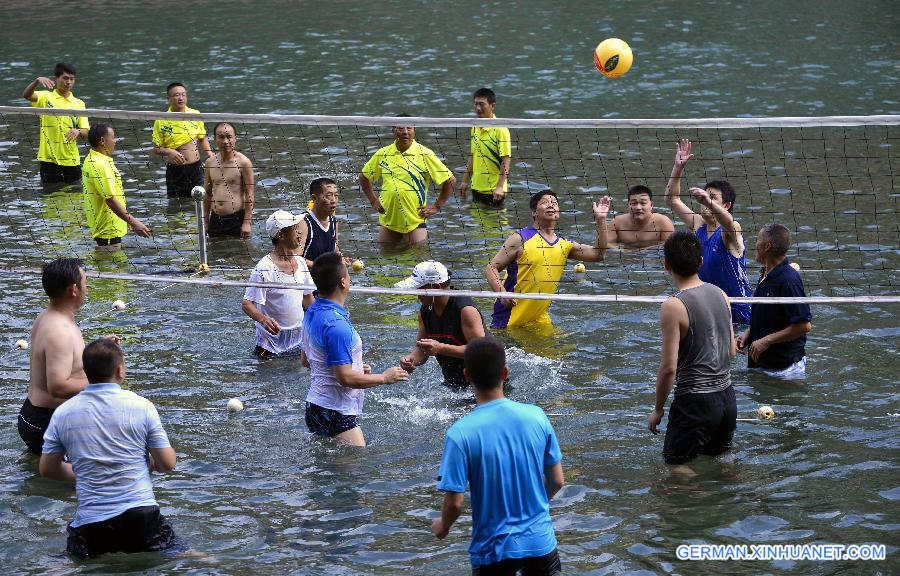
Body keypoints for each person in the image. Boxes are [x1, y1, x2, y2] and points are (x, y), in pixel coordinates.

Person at [432, 336, 565, 574]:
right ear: (505, 373)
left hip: (493, 551)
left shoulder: (459, 433)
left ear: (467, 376)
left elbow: (454, 503)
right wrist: (532, 507)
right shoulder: (537, 416)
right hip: (540, 543)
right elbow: (557, 481)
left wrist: (442, 526)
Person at [39, 338, 178, 559]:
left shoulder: (63, 413)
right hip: (141, 517)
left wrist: (86, 471)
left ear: (85, 372)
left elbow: (47, 469)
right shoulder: (142, 406)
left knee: (67, 563)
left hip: (93, 523)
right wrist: (149, 464)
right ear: (120, 371)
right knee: (185, 554)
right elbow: (167, 464)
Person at [648, 232, 737, 466]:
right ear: (701, 261)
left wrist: (658, 410)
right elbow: (732, 351)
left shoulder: (673, 305)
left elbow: (669, 368)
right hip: (728, 399)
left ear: (666, 264)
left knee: (675, 469)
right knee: (721, 465)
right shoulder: (721, 294)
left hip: (695, 401)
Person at [301, 252, 409, 446]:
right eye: (348, 275)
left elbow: (307, 360)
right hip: (336, 412)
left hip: (315, 408)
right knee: (356, 472)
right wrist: (384, 377)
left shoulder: (312, 312)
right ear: (343, 282)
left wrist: (355, 366)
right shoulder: (336, 325)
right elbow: (346, 378)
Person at [486, 190, 609, 329]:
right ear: (534, 212)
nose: (551, 205)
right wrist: (502, 293)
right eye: (545, 202)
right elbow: (491, 268)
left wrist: (601, 220)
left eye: (554, 203)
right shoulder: (520, 238)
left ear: (558, 212)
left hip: (539, 318)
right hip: (509, 319)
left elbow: (598, 254)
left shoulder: (565, 244)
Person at [665, 139, 753, 323]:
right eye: (705, 195)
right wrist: (678, 168)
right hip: (712, 312)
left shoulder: (731, 230)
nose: (705, 200)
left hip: (740, 315)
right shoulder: (700, 226)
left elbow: (728, 222)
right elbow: (672, 200)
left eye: (713, 197)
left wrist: (707, 201)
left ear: (727, 205)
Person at [17, 259, 89, 454]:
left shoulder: (47, 316)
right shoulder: (61, 331)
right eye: (85, 282)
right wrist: (103, 380)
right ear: (74, 289)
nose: (87, 288)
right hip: (48, 423)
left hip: (33, 416)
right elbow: (58, 386)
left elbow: (69, 360)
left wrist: (99, 350)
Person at [360, 116, 455, 245]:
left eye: (409, 128)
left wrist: (437, 206)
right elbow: (364, 177)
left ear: (414, 130)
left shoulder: (425, 154)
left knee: (418, 259)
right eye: (401, 128)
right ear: (393, 130)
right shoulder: (382, 153)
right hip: (388, 218)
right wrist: (373, 201)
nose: (405, 131)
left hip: (415, 220)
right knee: (386, 259)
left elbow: (450, 180)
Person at [736, 224, 813, 379]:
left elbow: (804, 325)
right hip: (762, 364)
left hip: (786, 370)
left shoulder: (789, 280)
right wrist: (749, 334)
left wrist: (766, 341)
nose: (755, 245)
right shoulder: (765, 272)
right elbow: (769, 314)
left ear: (767, 246)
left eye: (758, 240)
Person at [396, 261, 485, 388]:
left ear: (436, 288)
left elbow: (480, 351)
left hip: (484, 382)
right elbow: (422, 348)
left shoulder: (465, 310)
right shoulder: (425, 310)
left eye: (420, 289)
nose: (417, 294)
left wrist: (441, 348)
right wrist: (411, 360)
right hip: (454, 382)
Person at [242, 210, 315, 358]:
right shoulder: (264, 268)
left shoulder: (301, 262)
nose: (299, 233)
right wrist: (264, 319)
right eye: (294, 229)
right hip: (269, 344)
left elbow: (308, 298)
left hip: (298, 340)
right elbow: (247, 304)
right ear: (281, 235)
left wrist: (322, 317)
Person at [82, 123, 152, 248]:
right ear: (103, 141)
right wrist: (134, 222)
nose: (115, 141)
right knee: (111, 266)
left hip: (104, 226)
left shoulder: (91, 158)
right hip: (108, 231)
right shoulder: (100, 165)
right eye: (113, 138)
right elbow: (110, 200)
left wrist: (124, 220)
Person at [22, 62, 90, 185]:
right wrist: (36, 81)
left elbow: (86, 131)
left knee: (74, 197)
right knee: (49, 196)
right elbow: (27, 95)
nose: (68, 82)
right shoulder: (45, 97)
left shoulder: (79, 103)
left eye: (71, 79)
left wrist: (78, 131)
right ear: (56, 78)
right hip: (48, 159)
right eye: (65, 78)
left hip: (71, 160)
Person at [152, 82, 213, 198]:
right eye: (176, 95)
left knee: (200, 201)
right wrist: (169, 151)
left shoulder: (195, 114)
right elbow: (156, 148)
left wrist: (210, 154)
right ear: (168, 98)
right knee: (176, 206)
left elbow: (202, 138)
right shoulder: (161, 119)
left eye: (183, 95)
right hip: (175, 171)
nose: (181, 98)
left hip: (196, 169)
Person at [458, 88, 512, 207]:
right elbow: (473, 155)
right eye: (476, 104)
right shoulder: (475, 127)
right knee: (477, 223)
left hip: (494, 191)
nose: (478, 108)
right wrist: (465, 181)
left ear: (492, 106)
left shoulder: (501, 129)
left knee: (495, 224)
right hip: (476, 187)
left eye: (482, 104)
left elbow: (506, 160)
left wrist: (499, 187)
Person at [203, 122, 254, 238]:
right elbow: (207, 193)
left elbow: (249, 193)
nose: (225, 141)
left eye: (229, 137)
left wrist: (246, 222)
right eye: (221, 137)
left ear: (235, 138)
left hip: (236, 218)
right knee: (214, 253)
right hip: (215, 219)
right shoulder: (210, 163)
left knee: (239, 253)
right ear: (215, 139)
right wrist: (205, 220)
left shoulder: (244, 163)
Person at [598, 185, 674, 249]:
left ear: (651, 205)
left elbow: (671, 247)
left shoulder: (663, 222)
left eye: (643, 203)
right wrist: (624, 251)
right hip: (627, 259)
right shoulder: (617, 222)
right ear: (628, 205)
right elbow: (606, 244)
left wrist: (645, 250)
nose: (638, 207)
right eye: (634, 203)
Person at [299, 177, 349, 267]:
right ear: (314, 198)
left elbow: (336, 250)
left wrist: (341, 260)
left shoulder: (334, 222)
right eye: (329, 196)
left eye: (336, 195)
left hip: (325, 276)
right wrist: (320, 267)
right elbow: (295, 258)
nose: (333, 200)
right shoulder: (303, 223)